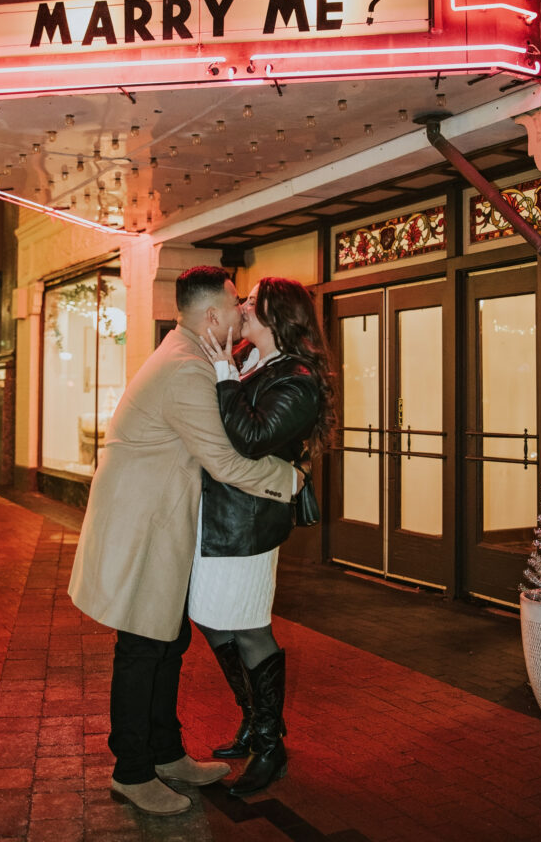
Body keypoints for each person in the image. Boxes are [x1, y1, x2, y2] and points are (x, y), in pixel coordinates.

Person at [68, 266, 299, 817]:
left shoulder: (188, 355)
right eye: (236, 304)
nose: (243, 312)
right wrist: (292, 481)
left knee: (166, 643)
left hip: (156, 524)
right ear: (212, 316)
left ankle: (166, 755)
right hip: (143, 528)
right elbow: (221, 459)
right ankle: (131, 770)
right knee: (143, 648)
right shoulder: (186, 368)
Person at [192, 277, 335, 797]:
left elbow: (250, 439)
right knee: (210, 618)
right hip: (219, 516)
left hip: (249, 525)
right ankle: (252, 719)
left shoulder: (297, 379)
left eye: (253, 302)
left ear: (280, 316)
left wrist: (226, 375)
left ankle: (270, 745)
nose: (243, 307)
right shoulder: (252, 360)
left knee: (248, 626)